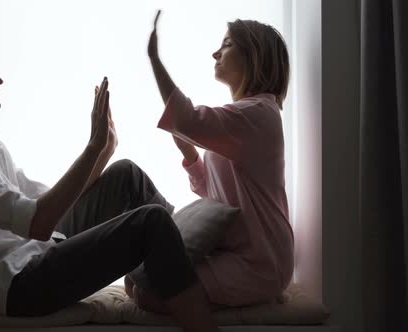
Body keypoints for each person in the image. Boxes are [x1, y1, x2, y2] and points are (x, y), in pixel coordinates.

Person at [0, 41, 218, 331]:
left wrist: (103, 152)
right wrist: (92, 149)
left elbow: (48, 203)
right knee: (151, 222)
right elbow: (39, 223)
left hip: (37, 251)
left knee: (125, 174)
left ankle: (164, 279)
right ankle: (193, 310)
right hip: (18, 286)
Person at [126, 10, 294, 314]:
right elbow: (219, 199)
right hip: (235, 249)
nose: (216, 52)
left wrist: (154, 58)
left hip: (258, 261)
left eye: (227, 44)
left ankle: (264, 289)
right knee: (140, 278)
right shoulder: (245, 115)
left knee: (148, 294)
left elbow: (187, 119)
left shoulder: (258, 115)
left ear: (253, 56)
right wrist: (190, 156)